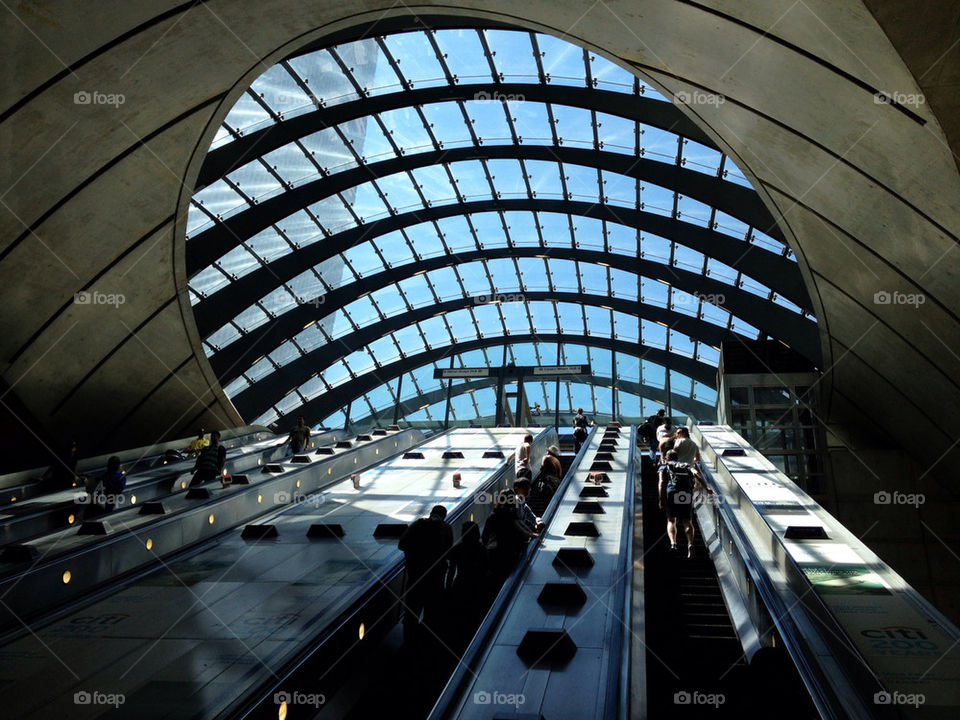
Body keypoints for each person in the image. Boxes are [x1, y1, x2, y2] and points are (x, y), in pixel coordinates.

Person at [398, 505, 453, 643]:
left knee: (411, 614)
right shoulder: (446, 528)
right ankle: (427, 645)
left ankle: (408, 644)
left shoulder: (417, 525)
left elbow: (401, 545)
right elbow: (448, 551)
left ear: (431, 513)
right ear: (444, 516)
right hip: (436, 579)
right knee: (432, 615)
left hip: (415, 576)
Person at [658, 449, 713, 558]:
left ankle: (673, 543)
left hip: (671, 492)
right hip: (685, 493)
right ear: (677, 458)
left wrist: (661, 499)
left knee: (671, 520)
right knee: (687, 521)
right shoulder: (686, 465)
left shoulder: (664, 466)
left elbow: (662, 482)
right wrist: (706, 487)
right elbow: (697, 473)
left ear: (667, 458)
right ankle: (690, 544)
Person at [445, 521, 490, 644]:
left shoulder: (457, 549)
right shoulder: (481, 549)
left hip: (460, 585)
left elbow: (451, 570)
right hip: (477, 586)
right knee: (474, 616)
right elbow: (487, 569)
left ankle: (458, 641)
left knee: (460, 616)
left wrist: (448, 588)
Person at [482, 489, 538, 583]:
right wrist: (532, 534)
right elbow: (522, 530)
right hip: (509, 553)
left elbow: (484, 538)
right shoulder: (511, 516)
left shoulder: (493, 516)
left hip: (494, 554)